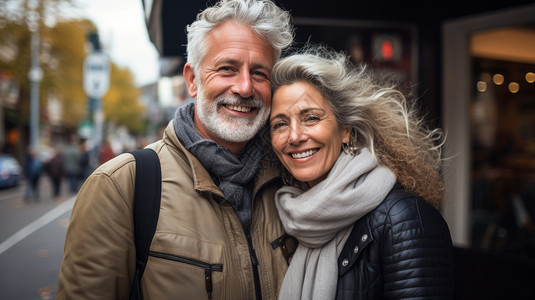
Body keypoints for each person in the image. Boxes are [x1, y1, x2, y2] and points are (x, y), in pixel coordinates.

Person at [57, 1, 294, 299]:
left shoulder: (291, 178)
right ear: (192, 80)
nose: (245, 87)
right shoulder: (121, 186)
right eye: (227, 69)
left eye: (259, 73)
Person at [269, 47, 460, 299]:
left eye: (311, 118)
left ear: (345, 130)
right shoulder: (294, 216)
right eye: (280, 124)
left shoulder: (404, 219)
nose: (294, 136)